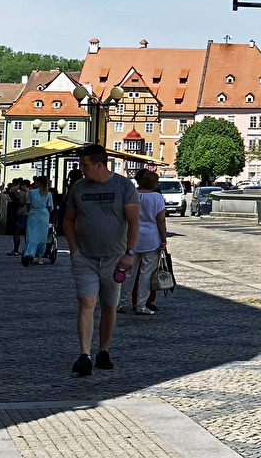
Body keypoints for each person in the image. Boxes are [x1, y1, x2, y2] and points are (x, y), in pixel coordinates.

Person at [63, 144, 140, 376]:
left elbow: (134, 222)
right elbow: (68, 220)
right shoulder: (79, 188)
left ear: (99, 164)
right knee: (87, 303)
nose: (81, 169)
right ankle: (84, 355)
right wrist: (74, 250)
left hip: (115, 259)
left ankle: (103, 350)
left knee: (109, 306)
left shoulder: (123, 186)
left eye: (85, 165)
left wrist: (130, 253)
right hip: (85, 257)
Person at [129, 168, 169, 314]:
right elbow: (161, 220)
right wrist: (163, 240)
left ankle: (122, 303)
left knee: (130, 272)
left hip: (133, 236)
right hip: (151, 237)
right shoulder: (156, 197)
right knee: (146, 273)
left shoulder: (133, 194)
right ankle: (141, 305)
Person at [24, 175, 54, 265]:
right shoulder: (48, 194)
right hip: (44, 215)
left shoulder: (32, 192)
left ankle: (30, 253)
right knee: (42, 236)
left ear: (38, 182)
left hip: (33, 214)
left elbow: (28, 205)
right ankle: (40, 258)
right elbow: (51, 208)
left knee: (31, 235)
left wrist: (31, 210)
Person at [6, 180, 29, 255]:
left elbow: (27, 205)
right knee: (26, 233)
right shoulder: (29, 193)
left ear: (24, 185)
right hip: (29, 215)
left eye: (21, 186)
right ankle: (27, 249)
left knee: (16, 232)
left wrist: (20, 211)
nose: (20, 187)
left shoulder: (26, 194)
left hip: (23, 215)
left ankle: (16, 250)